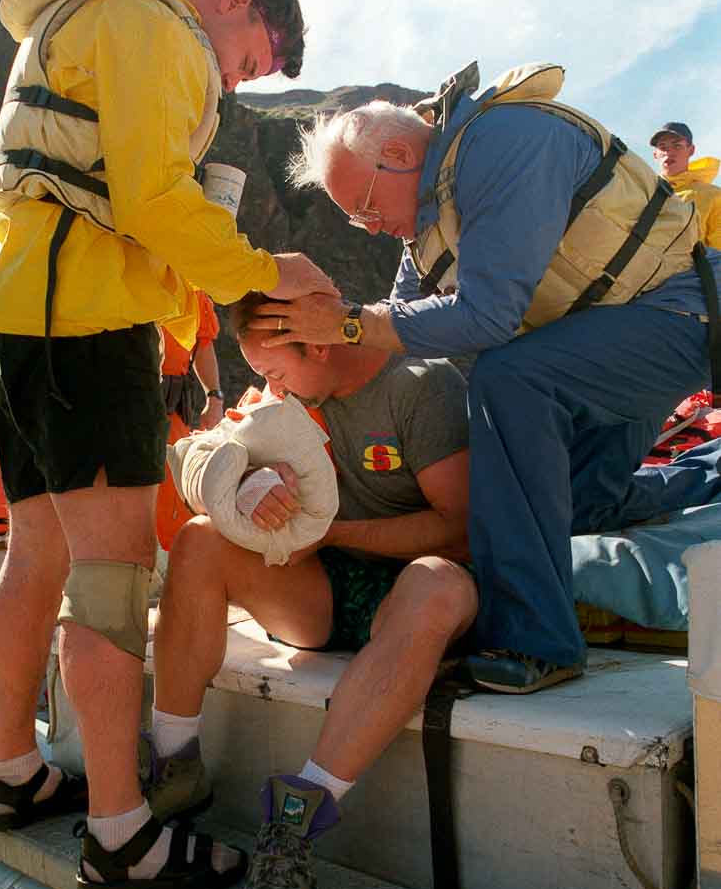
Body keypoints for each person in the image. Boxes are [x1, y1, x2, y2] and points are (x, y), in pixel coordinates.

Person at [0, 0, 336, 889]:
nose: (237, 80)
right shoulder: (154, 27)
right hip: (86, 322)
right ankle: (123, 834)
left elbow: (114, 195)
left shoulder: (88, 18)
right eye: (252, 58)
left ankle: (15, 774)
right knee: (112, 573)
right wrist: (266, 272)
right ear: (234, 0)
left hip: (13, 314)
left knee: (33, 554)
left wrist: (191, 309)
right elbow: (149, 198)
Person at [251, 61, 721, 694]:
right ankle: (705, 473)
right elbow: (405, 334)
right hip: (607, 358)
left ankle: (536, 639)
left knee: (508, 380)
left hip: (678, 313)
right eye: (355, 222)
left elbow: (486, 315)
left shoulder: (505, 141)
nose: (369, 227)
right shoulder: (425, 227)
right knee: (551, 504)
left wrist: (348, 326)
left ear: (397, 152)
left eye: (363, 209)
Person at [149, 302, 476, 889]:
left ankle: (293, 825)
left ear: (317, 347)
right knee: (199, 539)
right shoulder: (282, 391)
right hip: (323, 583)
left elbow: (461, 528)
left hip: (417, 579)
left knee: (435, 584)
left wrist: (330, 530)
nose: (272, 388)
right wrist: (237, 485)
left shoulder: (424, 386)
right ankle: (173, 762)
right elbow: (198, 456)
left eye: (277, 370)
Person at [157, 290, 226, 551]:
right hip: (125, 411)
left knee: (175, 497)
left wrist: (214, 396)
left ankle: (173, 574)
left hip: (173, 416)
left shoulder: (190, 286)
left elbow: (202, 342)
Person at [651, 122, 721, 249]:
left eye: (677, 146)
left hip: (688, 267)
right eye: (662, 147)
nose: (669, 152)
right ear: (655, 154)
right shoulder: (643, 191)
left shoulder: (713, 195)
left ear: (691, 150)